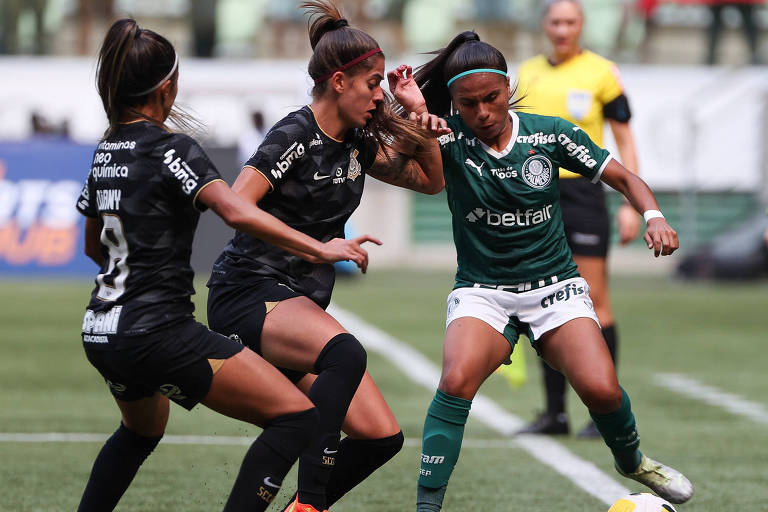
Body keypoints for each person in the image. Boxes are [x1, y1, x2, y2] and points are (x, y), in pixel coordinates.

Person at [72, 18, 379, 512]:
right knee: (297, 417)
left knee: (140, 432)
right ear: (167, 85)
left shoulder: (105, 152)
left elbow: (94, 247)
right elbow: (237, 209)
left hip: (103, 329)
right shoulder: (174, 150)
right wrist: (321, 248)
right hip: (159, 332)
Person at [390, 30, 694, 511]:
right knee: (455, 381)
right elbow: (387, 158)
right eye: (468, 104)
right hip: (483, 291)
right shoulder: (444, 137)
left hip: (554, 287)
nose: (482, 112)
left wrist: (653, 216)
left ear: (508, 87)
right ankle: (427, 507)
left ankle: (633, 462)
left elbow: (623, 177)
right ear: (453, 102)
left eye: (491, 98)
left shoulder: (549, 133)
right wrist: (407, 111)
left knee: (602, 389)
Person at [205, 2, 449, 511]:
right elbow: (234, 205)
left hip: (297, 306)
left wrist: (423, 123)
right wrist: (320, 247)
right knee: (346, 354)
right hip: (248, 291)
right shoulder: (293, 135)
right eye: (373, 83)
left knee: (380, 437)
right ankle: (309, 504)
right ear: (339, 81)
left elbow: (431, 182)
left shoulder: (357, 143)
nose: (381, 95)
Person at [514, 0, 642, 438]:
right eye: (556, 21)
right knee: (542, 300)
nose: (563, 29)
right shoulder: (528, 72)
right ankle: (555, 414)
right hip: (536, 195)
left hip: (585, 194)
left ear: (581, 25)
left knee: (595, 300)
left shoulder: (602, 72)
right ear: (545, 26)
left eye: (570, 21)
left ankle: (604, 412)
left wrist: (631, 202)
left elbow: (624, 137)